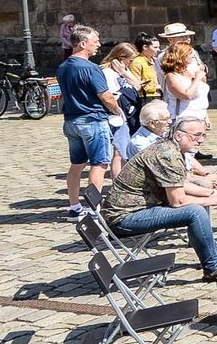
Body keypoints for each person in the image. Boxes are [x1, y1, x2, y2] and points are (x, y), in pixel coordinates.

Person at [100, 115, 217, 283]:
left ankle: (211, 254)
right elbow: (178, 201)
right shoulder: (167, 154)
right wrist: (210, 200)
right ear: (178, 135)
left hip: (138, 208)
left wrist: (211, 193)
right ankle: (213, 268)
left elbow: (180, 184)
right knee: (195, 212)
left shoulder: (170, 148)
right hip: (124, 218)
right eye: (196, 135)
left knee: (198, 205)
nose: (200, 140)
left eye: (203, 135)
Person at [59, 24, 124, 217]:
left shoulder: (63, 67)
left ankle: (74, 206)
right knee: (99, 164)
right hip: (92, 120)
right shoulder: (91, 68)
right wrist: (117, 110)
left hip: (71, 120)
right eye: (95, 42)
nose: (99, 45)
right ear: (83, 43)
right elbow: (106, 97)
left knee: (77, 164)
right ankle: (93, 208)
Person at [99, 41, 141, 176]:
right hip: (115, 115)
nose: (131, 63)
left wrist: (124, 72)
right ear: (121, 58)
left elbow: (137, 86)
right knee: (118, 152)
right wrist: (118, 111)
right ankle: (117, 183)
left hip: (126, 114)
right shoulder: (107, 72)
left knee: (123, 151)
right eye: (130, 60)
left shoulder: (123, 70)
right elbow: (108, 95)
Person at [161, 40, 209, 136]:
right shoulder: (172, 76)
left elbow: (201, 95)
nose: (192, 56)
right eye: (190, 53)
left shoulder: (190, 70)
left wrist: (206, 117)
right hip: (183, 117)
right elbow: (186, 95)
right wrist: (197, 78)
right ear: (181, 55)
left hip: (199, 115)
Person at [129, 32, 161, 117]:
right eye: (155, 47)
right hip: (146, 98)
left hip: (158, 96)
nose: (158, 50)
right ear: (145, 47)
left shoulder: (155, 61)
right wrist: (156, 87)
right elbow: (136, 83)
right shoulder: (137, 62)